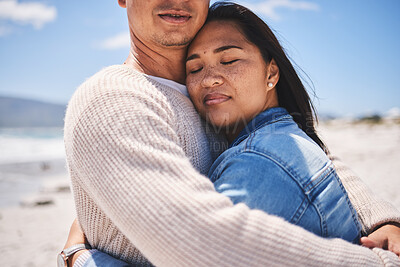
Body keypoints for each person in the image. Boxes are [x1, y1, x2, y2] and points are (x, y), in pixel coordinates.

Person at [62, 1, 400, 266]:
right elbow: (203, 244)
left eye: (229, 61)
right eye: (197, 67)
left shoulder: (207, 100)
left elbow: (299, 150)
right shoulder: (112, 99)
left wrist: (378, 217)